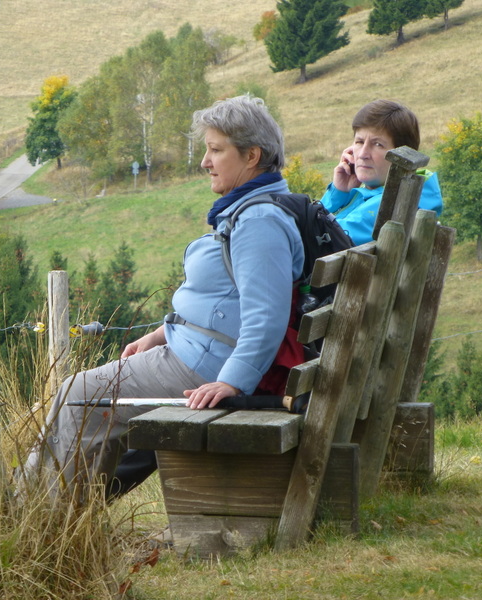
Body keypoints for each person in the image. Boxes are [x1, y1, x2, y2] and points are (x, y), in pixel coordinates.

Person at [23, 95, 305, 499]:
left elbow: (266, 317)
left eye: (215, 150)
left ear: (251, 156)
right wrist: (160, 335)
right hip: (199, 353)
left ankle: (38, 515)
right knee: (84, 397)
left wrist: (232, 381)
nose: (205, 161)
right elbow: (226, 302)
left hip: (206, 367)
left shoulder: (259, 221)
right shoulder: (252, 209)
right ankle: (54, 510)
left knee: (77, 396)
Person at [320, 99, 443, 246]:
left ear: (403, 156)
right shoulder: (384, 194)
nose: (362, 154)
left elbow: (318, 238)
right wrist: (339, 192)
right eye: (359, 142)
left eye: (378, 144)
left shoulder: (394, 203)